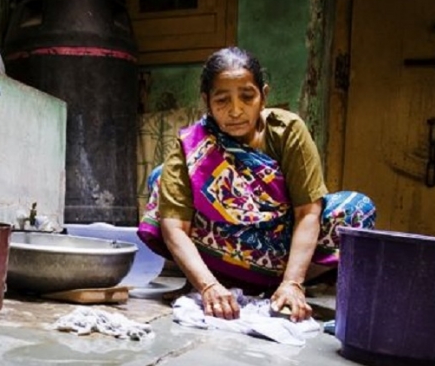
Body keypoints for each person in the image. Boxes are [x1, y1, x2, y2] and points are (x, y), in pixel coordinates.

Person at [137, 47, 376, 323]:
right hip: (220, 252)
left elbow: (308, 212)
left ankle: (279, 287)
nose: (236, 110)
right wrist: (208, 286)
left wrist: (293, 282)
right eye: (222, 100)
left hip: (280, 249)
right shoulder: (194, 145)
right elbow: (175, 228)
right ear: (207, 101)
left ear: (264, 96)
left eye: (247, 97)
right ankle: (213, 279)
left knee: (358, 209)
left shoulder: (287, 132)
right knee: (161, 177)